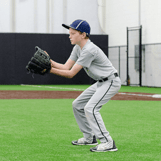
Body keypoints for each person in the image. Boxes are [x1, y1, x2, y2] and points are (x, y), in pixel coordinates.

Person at [48, 19, 121, 152]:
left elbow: (70, 74)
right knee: (77, 105)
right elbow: (66, 66)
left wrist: (49, 70)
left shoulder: (89, 50)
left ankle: (108, 142)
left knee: (90, 108)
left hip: (111, 81)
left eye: (73, 33)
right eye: (69, 33)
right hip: (100, 82)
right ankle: (89, 137)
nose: (69, 35)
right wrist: (50, 62)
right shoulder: (78, 47)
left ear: (83, 34)